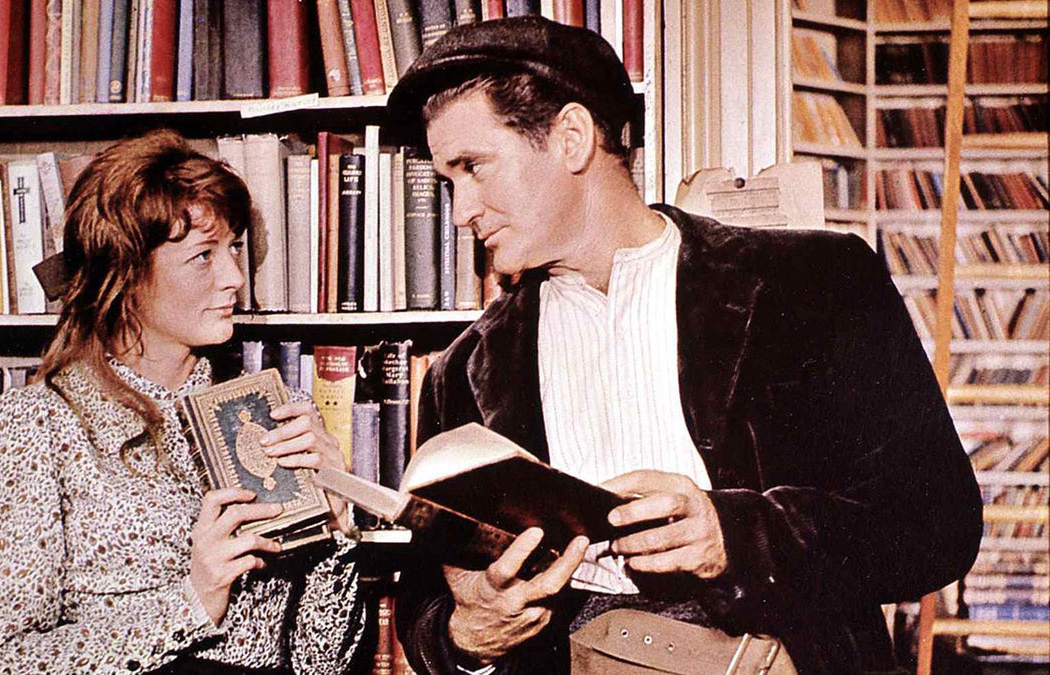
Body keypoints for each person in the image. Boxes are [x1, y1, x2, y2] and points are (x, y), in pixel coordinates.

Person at [386, 16, 982, 675]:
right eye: (448, 182)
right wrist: (470, 634)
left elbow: (938, 525)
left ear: (572, 139)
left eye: (473, 168)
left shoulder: (815, 283)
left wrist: (733, 535)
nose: (461, 209)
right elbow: (425, 610)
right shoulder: (462, 371)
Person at [0, 130, 366, 674]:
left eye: (234, 247)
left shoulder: (272, 411)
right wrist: (191, 601)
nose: (235, 278)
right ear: (125, 276)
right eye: (202, 256)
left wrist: (336, 526)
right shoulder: (37, 425)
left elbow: (320, 665)